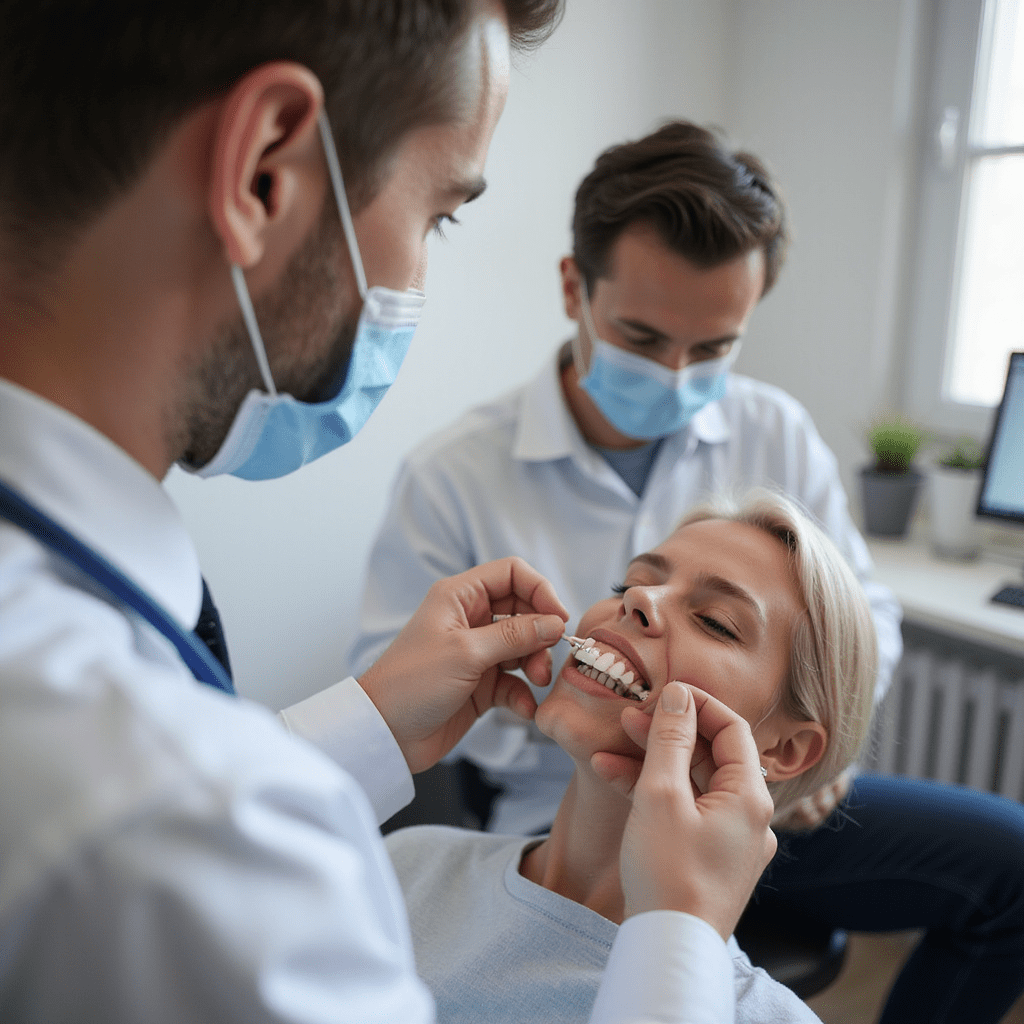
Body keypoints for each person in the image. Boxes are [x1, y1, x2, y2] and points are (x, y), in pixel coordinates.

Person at [0, 8, 785, 1023]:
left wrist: (367, 720)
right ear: (264, 171)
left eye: (715, 616)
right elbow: (185, 817)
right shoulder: (198, 824)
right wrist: (678, 935)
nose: (639, 606)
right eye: (439, 214)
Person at [352, 120, 1024, 1023]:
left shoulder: (775, 429)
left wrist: (791, 759)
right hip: (554, 805)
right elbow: (407, 688)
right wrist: (582, 706)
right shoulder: (454, 474)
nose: (676, 373)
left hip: (765, 807)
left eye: (711, 349)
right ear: (574, 288)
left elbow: (863, 615)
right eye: (643, 337)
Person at [387, 492, 878, 1024]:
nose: (638, 598)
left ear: (784, 750)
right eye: (627, 584)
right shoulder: (406, 865)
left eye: (714, 621)